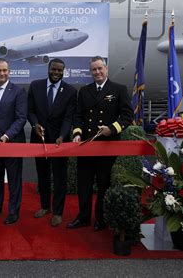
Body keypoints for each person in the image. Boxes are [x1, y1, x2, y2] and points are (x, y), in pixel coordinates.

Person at [67, 56, 132, 230]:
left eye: (100, 68)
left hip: (107, 146)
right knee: (84, 184)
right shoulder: (85, 91)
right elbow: (78, 116)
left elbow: (127, 116)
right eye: (94, 69)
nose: (97, 72)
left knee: (103, 183)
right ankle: (83, 217)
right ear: (91, 72)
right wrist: (77, 133)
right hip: (87, 145)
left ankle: (101, 219)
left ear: (106, 69)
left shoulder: (119, 89)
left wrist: (111, 128)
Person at [28, 58, 77, 227]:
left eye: (59, 70)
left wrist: (63, 135)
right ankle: (44, 207)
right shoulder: (35, 86)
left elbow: (68, 118)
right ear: (48, 69)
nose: (56, 73)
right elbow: (30, 111)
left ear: (63, 71)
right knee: (42, 175)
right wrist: (35, 125)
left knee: (59, 177)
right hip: (39, 140)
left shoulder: (70, 91)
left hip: (59, 142)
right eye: (53, 70)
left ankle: (57, 212)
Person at [0, 59, 27, 225]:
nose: (2, 73)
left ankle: (14, 211)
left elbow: (21, 118)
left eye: (5, 70)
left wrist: (7, 135)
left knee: (14, 179)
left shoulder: (18, 91)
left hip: (12, 143)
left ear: (9, 72)